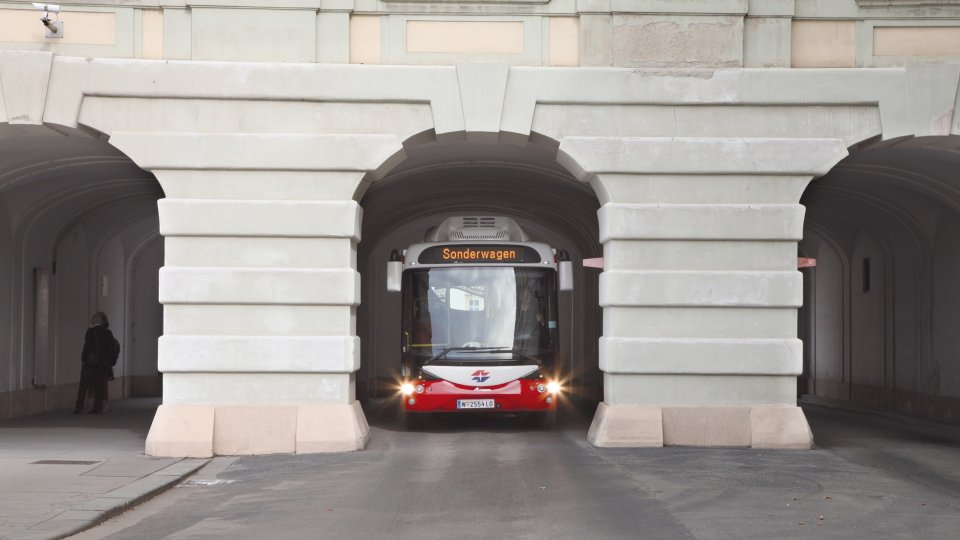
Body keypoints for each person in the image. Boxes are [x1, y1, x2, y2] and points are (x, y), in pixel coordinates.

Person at [73, 312, 115, 414]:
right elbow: (111, 349)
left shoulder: (90, 331)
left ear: (97, 320)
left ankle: (79, 407)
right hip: (102, 365)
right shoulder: (108, 333)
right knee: (99, 387)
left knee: (83, 386)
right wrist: (108, 363)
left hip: (89, 363)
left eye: (94, 317)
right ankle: (97, 407)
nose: (92, 319)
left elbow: (87, 347)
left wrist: (84, 359)